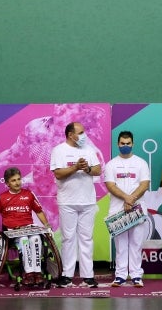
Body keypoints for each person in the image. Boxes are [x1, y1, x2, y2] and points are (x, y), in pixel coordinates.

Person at [50, 121, 102, 288]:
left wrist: (86, 169)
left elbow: (98, 170)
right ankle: (67, 275)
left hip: (87, 201)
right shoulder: (59, 150)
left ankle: (88, 276)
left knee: (87, 238)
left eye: (84, 132)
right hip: (68, 201)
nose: (84, 135)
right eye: (80, 132)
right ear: (70, 135)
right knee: (68, 239)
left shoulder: (88, 149)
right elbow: (58, 173)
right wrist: (76, 167)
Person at [0, 167, 51, 288]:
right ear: (7, 183)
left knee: (35, 239)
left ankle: (37, 273)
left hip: (29, 227)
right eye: (13, 180)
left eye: (18, 179)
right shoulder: (2, 197)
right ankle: (28, 273)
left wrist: (47, 226)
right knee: (24, 240)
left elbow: (39, 211)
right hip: (13, 231)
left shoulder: (29, 194)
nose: (17, 182)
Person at [104, 131, 151, 288]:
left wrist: (131, 200)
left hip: (137, 209)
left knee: (136, 243)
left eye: (128, 143)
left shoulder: (141, 163)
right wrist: (126, 198)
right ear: (118, 144)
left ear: (133, 144)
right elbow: (110, 185)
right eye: (122, 143)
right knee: (121, 244)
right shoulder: (111, 164)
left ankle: (136, 275)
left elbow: (144, 184)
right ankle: (120, 275)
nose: (125, 146)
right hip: (118, 210)